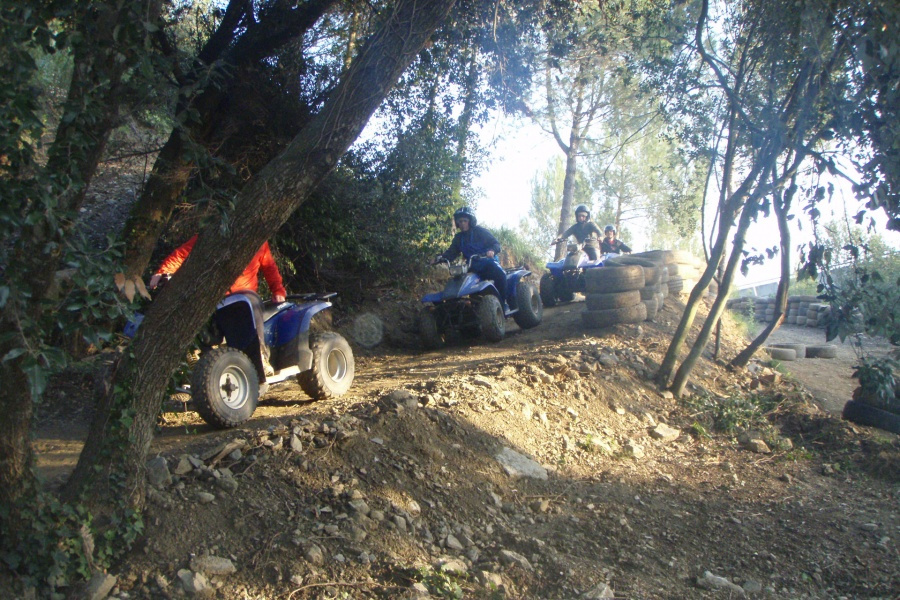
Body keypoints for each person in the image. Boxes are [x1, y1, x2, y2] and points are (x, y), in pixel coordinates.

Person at [150, 234, 287, 376]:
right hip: (213, 298)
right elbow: (182, 254)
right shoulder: (212, 234)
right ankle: (197, 364)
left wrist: (277, 290)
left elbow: (270, 267)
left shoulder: (258, 240)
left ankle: (261, 357)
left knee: (251, 304)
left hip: (243, 296)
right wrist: (163, 271)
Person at [435, 207, 508, 307]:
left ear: (470, 221)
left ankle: (503, 304)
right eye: (460, 221)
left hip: (487, 263)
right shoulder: (458, 238)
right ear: (457, 223)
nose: (462, 223)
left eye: (465, 221)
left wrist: (492, 250)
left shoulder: (480, 231)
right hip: (471, 266)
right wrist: (439, 258)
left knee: (501, 275)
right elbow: (451, 253)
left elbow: (496, 244)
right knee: (460, 283)